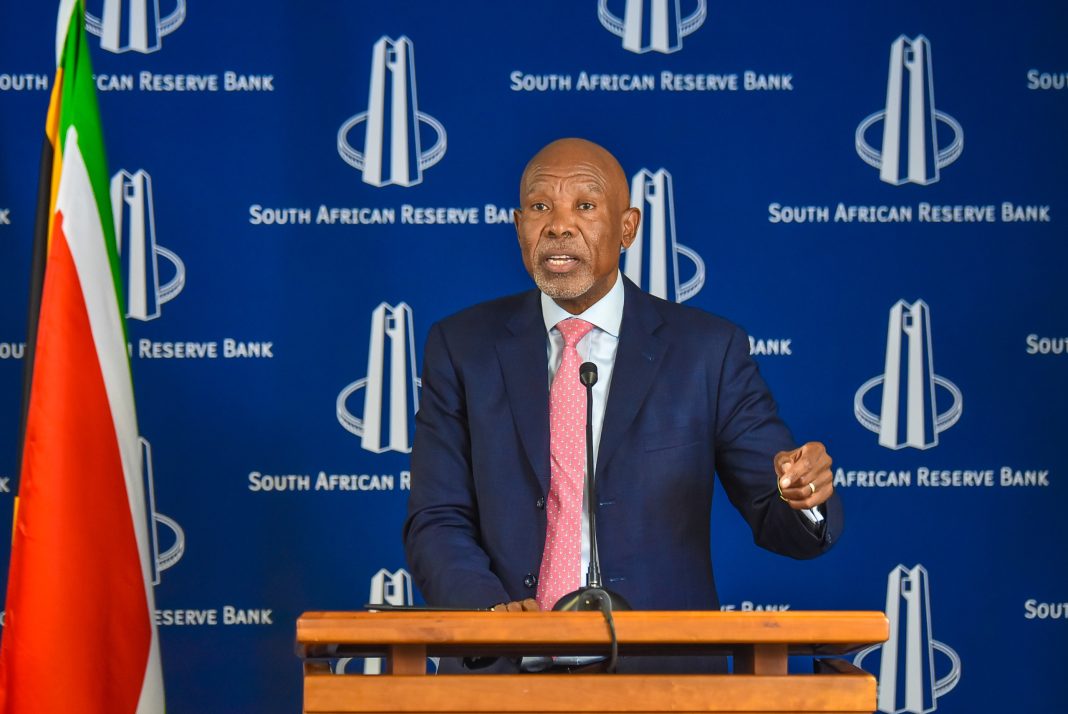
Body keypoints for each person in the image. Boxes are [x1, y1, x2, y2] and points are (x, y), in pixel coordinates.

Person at [403, 138, 840, 668]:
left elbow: (780, 517)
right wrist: (491, 616)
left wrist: (803, 495)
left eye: (585, 205)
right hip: (505, 667)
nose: (559, 226)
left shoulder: (708, 352)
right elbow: (437, 517)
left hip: (660, 675)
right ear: (519, 226)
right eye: (540, 206)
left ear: (628, 228)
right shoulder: (462, 347)